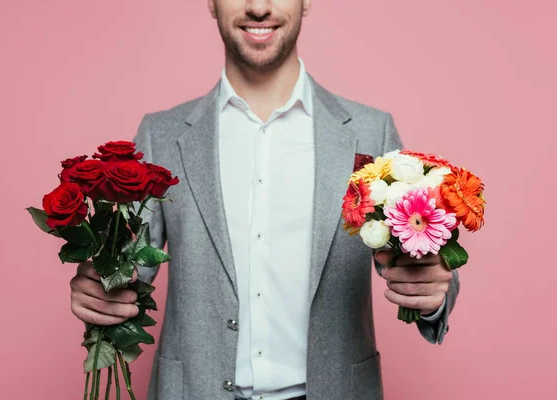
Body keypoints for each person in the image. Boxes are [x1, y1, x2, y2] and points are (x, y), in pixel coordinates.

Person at [69, 1, 459, 399]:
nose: (258, 7)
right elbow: (128, 273)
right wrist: (100, 288)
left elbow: (419, 259)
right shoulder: (161, 135)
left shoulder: (370, 132)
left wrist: (431, 291)